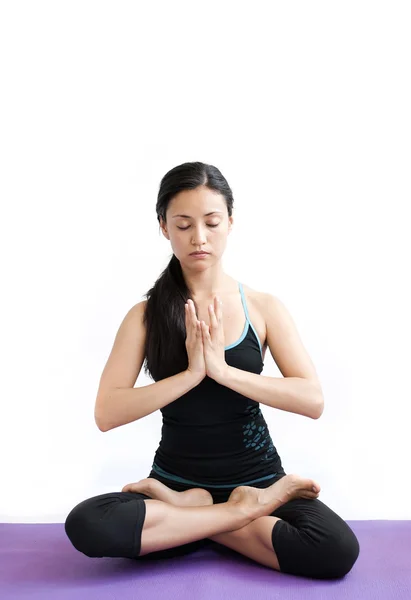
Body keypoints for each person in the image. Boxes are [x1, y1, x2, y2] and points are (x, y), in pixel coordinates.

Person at [65, 161, 360, 579]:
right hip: (176, 479)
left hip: (259, 480)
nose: (199, 238)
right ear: (164, 227)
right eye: (183, 225)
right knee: (88, 523)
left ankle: (198, 519)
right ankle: (227, 513)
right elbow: (107, 412)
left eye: (211, 222)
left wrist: (223, 371)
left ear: (230, 223)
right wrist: (188, 377)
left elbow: (312, 400)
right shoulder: (144, 316)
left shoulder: (263, 307)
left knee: (335, 550)